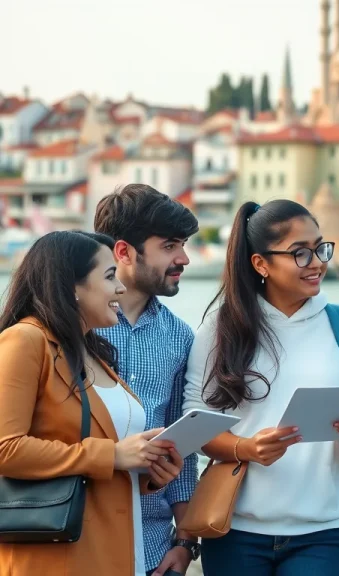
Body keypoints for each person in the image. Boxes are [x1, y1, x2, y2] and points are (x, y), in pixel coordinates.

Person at [183, 200, 339, 576]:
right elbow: (194, 424)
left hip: (320, 530)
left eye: (321, 248)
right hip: (235, 527)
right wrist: (246, 448)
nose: (318, 262)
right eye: (300, 254)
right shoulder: (221, 328)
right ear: (261, 264)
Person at [0, 231, 183, 576]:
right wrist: (113, 454)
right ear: (71, 285)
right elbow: (5, 448)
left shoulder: (95, 354)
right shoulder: (26, 340)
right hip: (55, 557)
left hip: (116, 548)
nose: (121, 288)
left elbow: (109, 459)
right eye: (109, 276)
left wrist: (151, 471)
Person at [94, 184, 201, 576]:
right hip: (81, 533)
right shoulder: (73, 329)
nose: (184, 258)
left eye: (183, 244)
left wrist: (186, 540)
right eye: (170, 245)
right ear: (123, 252)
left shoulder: (181, 337)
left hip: (156, 547)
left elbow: (182, 448)